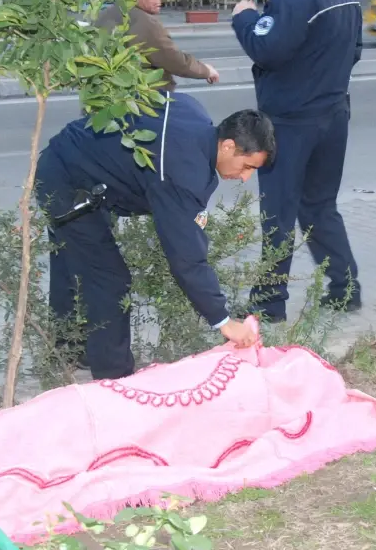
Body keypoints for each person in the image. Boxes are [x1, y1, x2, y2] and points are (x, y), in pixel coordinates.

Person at [36, 99, 275, 380]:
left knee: (76, 262)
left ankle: (67, 350)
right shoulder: (183, 171)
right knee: (108, 279)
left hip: (78, 165)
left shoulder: (195, 114)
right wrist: (223, 321)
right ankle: (114, 379)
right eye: (247, 166)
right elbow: (186, 257)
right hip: (65, 181)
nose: (246, 178)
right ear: (228, 146)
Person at [230, 0, 364, 323]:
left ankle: (269, 302)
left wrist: (244, 17)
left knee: (278, 213)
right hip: (333, 114)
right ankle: (345, 289)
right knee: (320, 206)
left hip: (290, 122)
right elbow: (355, 50)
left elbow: (265, 48)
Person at [95, 0, 220, 91]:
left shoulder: (107, 13)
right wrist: (206, 70)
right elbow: (174, 60)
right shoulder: (145, 22)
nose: (160, 0)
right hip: (143, 98)